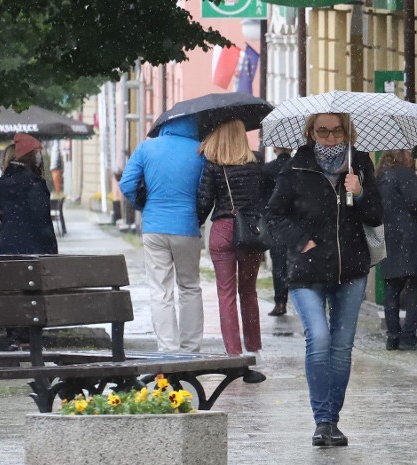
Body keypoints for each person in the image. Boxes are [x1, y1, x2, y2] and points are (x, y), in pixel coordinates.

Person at [266, 113, 383, 447]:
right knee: (318, 338)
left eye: (337, 131)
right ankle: (321, 420)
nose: (330, 138)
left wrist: (359, 192)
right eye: (323, 131)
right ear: (310, 133)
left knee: (341, 347)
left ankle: (332, 420)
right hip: (307, 268)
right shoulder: (296, 168)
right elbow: (273, 215)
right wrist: (303, 242)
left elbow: (376, 215)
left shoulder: (358, 163)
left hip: (351, 268)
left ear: (347, 132)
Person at [119, 118, 205, 353]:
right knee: (189, 286)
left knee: (160, 290)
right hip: (186, 225)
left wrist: (144, 205)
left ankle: (168, 348)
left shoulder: (147, 147)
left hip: (154, 226)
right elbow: (204, 190)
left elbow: (127, 184)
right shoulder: (200, 149)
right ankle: (191, 347)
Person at [197, 119, 271, 357]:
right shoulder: (257, 161)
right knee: (248, 291)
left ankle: (233, 351)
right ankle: (254, 346)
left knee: (225, 294)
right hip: (249, 231)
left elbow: (204, 202)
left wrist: (195, 223)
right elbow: (265, 197)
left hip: (222, 229)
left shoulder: (213, 165)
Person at [0, 134, 58, 350]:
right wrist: (51, 251)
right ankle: (29, 336)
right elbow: (42, 220)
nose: (40, 158)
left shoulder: (3, 183)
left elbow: (4, 215)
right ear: (30, 157)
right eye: (38, 154)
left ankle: (14, 335)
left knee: (14, 290)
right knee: (33, 292)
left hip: (10, 245)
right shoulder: (35, 184)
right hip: (33, 247)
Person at [376, 149, 417, 351]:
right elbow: (415, 203)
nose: (412, 156)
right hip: (412, 237)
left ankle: (393, 336)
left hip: (390, 236)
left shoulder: (381, 176)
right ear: (402, 155)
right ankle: (408, 335)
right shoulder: (405, 174)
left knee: (392, 288)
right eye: (409, 153)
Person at [260, 147, 292, 316]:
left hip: (275, 224)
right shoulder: (297, 167)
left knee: (279, 264)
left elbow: (261, 197)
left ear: (275, 148)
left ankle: (280, 302)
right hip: (295, 222)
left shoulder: (267, 170)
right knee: (297, 262)